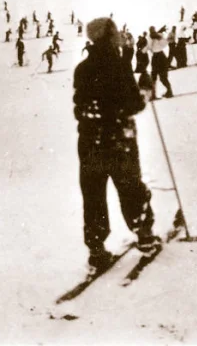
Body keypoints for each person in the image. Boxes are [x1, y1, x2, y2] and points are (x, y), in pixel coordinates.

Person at [73, 17, 158, 270]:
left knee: (93, 194)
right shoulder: (119, 66)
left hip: (90, 141)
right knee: (130, 186)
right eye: (115, 33)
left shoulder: (82, 68)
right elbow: (133, 104)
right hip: (119, 140)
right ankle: (144, 236)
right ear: (109, 37)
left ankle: (97, 250)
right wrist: (145, 89)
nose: (119, 37)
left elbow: (81, 105)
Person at [148, 25, 173, 99]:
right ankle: (167, 92)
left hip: (157, 57)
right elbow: (164, 43)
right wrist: (159, 35)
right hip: (159, 56)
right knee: (158, 76)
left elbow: (150, 47)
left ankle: (168, 92)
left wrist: (158, 36)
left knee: (159, 77)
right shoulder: (155, 36)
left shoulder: (154, 37)